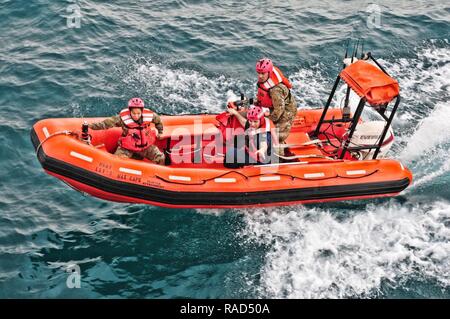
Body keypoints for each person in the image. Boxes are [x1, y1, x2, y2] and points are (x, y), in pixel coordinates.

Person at [88, 97, 165, 165]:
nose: (136, 116)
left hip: (146, 147)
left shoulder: (150, 116)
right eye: (133, 113)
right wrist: (91, 126)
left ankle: (154, 175)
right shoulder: (121, 119)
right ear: (130, 111)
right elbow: (105, 124)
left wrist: (160, 132)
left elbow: (158, 122)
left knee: (160, 158)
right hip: (127, 148)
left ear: (142, 111)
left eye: (138, 113)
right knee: (116, 162)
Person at [254, 58, 297, 147]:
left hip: (285, 112)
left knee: (276, 137)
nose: (260, 76)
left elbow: (279, 110)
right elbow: (263, 96)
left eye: (263, 73)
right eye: (259, 73)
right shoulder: (266, 81)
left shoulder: (275, 90)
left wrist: (268, 120)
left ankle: (279, 155)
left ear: (269, 72)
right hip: (275, 106)